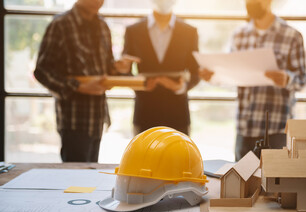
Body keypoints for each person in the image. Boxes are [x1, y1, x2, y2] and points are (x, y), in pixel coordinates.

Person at [200, 0, 306, 161]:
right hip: (245, 127)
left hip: (276, 129)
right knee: (242, 182)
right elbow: (232, 75)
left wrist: (287, 79)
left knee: (274, 182)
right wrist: (214, 76)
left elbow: (302, 79)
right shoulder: (239, 35)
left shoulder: (291, 36)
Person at [34, 0, 117, 162]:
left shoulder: (102, 26)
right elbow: (42, 72)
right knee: (74, 180)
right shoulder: (61, 25)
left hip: (98, 117)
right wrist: (79, 86)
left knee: (91, 179)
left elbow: (107, 68)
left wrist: (118, 68)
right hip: (74, 120)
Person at [118, 0, 199, 135]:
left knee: (179, 156)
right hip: (145, 111)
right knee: (143, 155)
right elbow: (124, 69)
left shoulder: (189, 32)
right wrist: (140, 84)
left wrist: (180, 87)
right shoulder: (133, 30)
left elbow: (195, 71)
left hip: (178, 113)